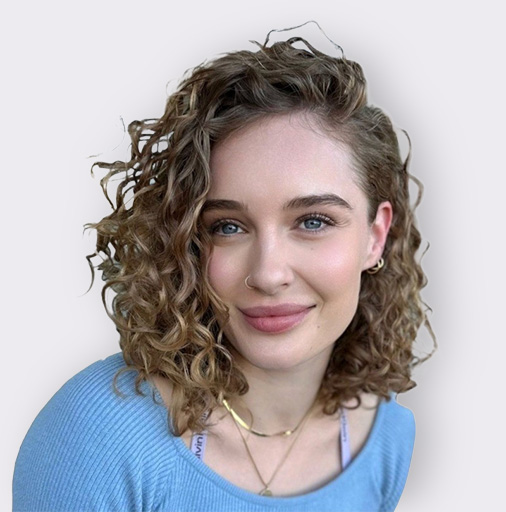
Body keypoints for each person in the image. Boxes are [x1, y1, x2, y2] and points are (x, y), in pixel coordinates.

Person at [13, 29, 433, 512]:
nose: (268, 273)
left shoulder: (385, 438)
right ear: (188, 241)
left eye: (313, 221)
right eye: (229, 227)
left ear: (375, 237)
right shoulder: (99, 436)